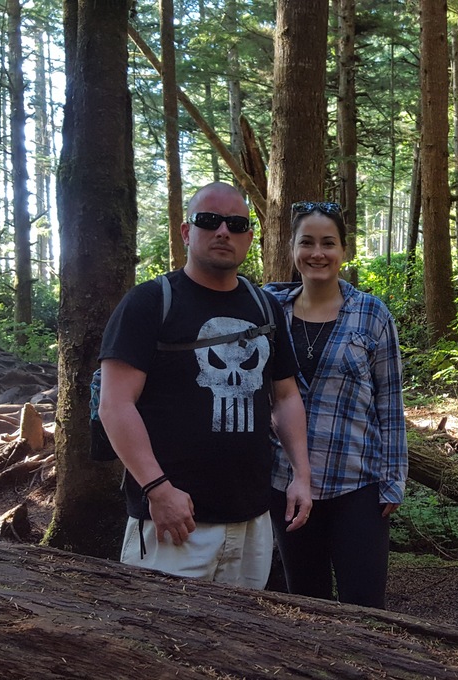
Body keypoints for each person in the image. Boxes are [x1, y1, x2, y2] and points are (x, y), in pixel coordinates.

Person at [97, 181, 312, 588]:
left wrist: (301, 475)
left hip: (252, 519)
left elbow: (284, 396)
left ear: (250, 236)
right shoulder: (149, 303)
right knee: (159, 639)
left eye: (236, 223)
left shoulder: (264, 306)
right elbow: (116, 404)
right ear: (186, 231)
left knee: (241, 641)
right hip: (175, 520)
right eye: (209, 220)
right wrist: (157, 490)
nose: (223, 231)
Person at [264, 200, 408, 608]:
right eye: (306, 242)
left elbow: (390, 400)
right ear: (292, 249)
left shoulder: (371, 314)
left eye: (328, 243)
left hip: (356, 481)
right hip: (286, 481)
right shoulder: (271, 311)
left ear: (344, 250)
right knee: (306, 600)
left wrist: (394, 476)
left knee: (364, 603)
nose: (317, 253)